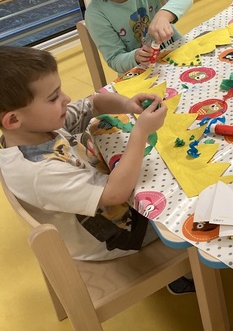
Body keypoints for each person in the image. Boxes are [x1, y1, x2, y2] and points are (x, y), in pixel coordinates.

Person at [0, 47, 193, 294]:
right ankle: (188, 276)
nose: (66, 98)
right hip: (113, 237)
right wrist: (140, 132)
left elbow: (94, 103)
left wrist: (127, 104)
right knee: (185, 202)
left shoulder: (34, 129)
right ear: (13, 120)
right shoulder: (40, 172)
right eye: (53, 98)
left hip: (105, 206)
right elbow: (115, 194)